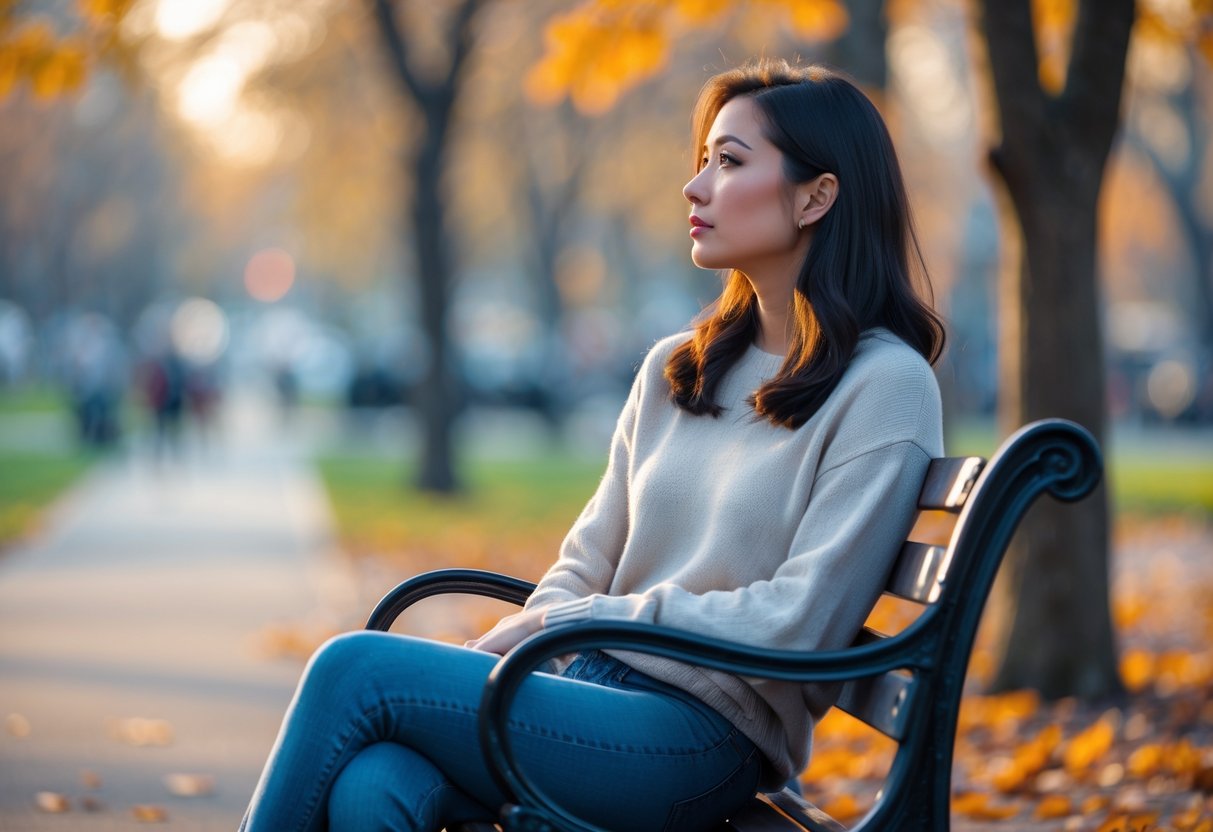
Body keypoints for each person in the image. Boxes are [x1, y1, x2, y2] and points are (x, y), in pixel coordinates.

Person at [241, 58, 945, 832]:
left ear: (816, 196)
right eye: (702, 159)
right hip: (581, 692)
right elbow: (583, 561)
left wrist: (577, 623)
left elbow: (801, 619)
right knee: (375, 783)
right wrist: (532, 644)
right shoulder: (678, 368)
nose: (695, 186)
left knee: (353, 670)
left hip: (697, 737)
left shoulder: (884, 386)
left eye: (730, 162)